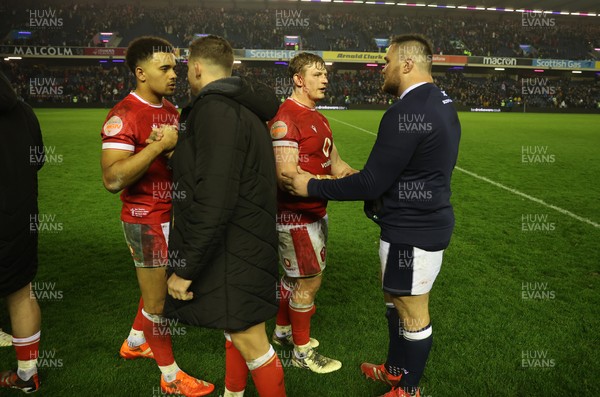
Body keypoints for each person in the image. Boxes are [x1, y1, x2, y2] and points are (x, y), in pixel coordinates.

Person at [281, 34, 461, 397]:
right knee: (395, 300)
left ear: (407, 64)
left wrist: (311, 187)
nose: (383, 67)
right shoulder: (440, 100)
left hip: (413, 230)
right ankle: (394, 369)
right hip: (417, 222)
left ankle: (408, 390)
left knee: (412, 311)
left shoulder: (406, 111)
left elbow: (371, 182)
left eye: (388, 60)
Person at [161, 35, 286, 397]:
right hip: (245, 241)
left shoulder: (215, 109)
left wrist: (185, 269)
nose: (185, 76)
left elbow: (214, 196)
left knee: (253, 344)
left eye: (186, 69)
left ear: (197, 67)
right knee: (237, 331)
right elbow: (222, 173)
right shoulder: (242, 107)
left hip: (234, 247)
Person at [100, 36, 214, 396]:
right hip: (144, 218)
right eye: (163, 68)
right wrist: (159, 146)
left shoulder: (170, 109)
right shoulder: (124, 114)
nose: (173, 74)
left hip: (169, 214)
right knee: (159, 302)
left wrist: (173, 150)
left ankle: (135, 342)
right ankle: (170, 379)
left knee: (156, 286)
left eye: (175, 68)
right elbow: (112, 178)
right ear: (140, 73)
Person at [267, 52, 356, 374]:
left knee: (292, 280)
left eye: (325, 74)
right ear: (298, 79)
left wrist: (364, 180)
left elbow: (337, 164)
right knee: (308, 283)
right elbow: (287, 179)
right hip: (295, 218)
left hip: (315, 213)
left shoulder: (319, 117)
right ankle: (301, 353)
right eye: (317, 74)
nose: (325, 79)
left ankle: (282, 332)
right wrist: (336, 184)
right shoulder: (286, 118)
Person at [0, 71, 44, 393]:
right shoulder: (24, 111)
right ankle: (27, 374)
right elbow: (38, 159)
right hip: (19, 218)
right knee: (21, 293)